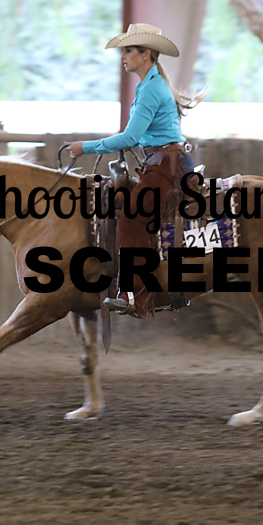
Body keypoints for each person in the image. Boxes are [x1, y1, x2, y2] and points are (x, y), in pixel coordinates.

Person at [65, 24, 206, 317]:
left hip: (166, 167)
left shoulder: (151, 89)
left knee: (131, 219)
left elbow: (130, 137)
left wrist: (85, 148)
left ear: (146, 54)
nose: (123, 56)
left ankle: (135, 297)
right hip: (163, 163)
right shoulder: (149, 85)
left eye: (128, 51)